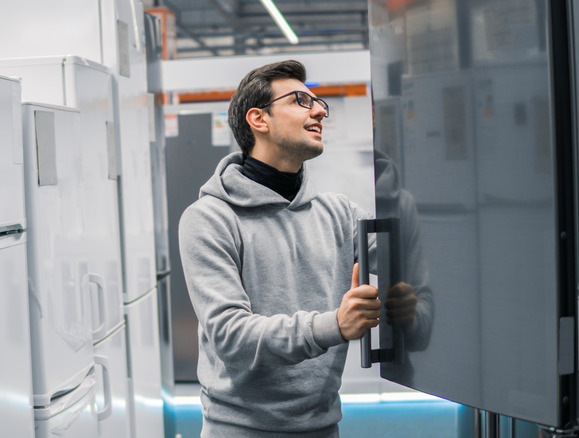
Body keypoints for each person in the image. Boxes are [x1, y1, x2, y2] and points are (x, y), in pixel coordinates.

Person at [178, 60, 420, 437]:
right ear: (259, 119)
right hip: (240, 430)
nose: (320, 109)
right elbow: (232, 336)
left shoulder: (339, 214)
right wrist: (334, 325)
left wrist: (402, 294)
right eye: (301, 101)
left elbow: (406, 257)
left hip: (323, 425)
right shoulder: (210, 218)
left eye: (319, 102)